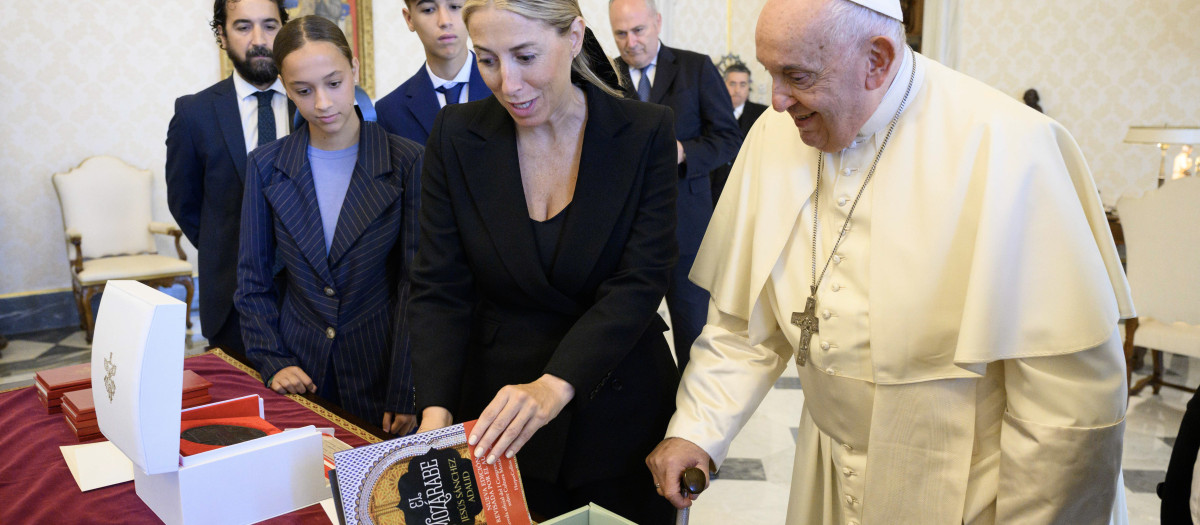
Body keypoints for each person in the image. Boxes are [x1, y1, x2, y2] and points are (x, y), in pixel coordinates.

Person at [646, 0, 1133, 524]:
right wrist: (695, 427)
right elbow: (744, 324)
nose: (777, 101)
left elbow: (1066, 409)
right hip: (829, 472)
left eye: (797, 76)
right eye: (770, 74)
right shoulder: (775, 134)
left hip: (971, 489)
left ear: (876, 58)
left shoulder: (1009, 145)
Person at [407, 0, 679, 522]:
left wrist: (554, 384)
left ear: (574, 36)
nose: (508, 83)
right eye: (487, 60)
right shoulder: (456, 136)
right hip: (497, 423)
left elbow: (640, 282)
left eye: (526, 56)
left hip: (617, 405)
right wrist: (436, 413)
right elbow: (440, 287)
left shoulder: (644, 132)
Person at [235, 15, 424, 435]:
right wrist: (272, 358)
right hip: (300, 375)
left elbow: (418, 285)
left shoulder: (407, 161)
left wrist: (405, 389)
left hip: (379, 372)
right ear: (285, 87)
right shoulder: (266, 166)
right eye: (303, 90)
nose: (322, 103)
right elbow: (253, 279)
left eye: (334, 83)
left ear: (354, 69)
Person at [608, 0, 741, 373]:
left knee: (694, 335)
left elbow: (728, 138)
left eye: (638, 30)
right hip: (626, 234)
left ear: (657, 23)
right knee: (626, 336)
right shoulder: (604, 76)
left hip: (688, 228)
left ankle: (693, 424)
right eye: (620, 33)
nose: (630, 42)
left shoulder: (695, 67)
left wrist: (684, 152)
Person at [167, 0, 293, 354]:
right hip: (232, 302)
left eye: (270, 25)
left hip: (314, 302)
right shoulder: (194, 113)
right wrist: (232, 252)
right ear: (221, 35)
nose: (259, 38)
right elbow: (185, 204)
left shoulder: (314, 103)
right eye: (243, 27)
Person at [375, 0, 492, 145]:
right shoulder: (389, 111)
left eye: (454, 7)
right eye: (429, 10)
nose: (445, 21)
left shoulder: (506, 87)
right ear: (409, 19)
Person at [710, 61, 767, 205]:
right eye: (732, 84)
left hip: (749, 188)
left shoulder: (763, 114)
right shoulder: (711, 113)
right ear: (723, 85)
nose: (737, 90)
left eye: (742, 84)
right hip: (714, 189)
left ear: (748, 87)